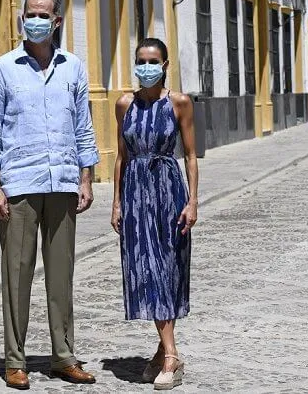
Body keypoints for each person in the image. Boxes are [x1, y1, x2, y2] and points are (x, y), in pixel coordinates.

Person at [0, 0, 100, 390]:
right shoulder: (4, 68)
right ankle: (15, 360)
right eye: (29, 14)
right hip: (19, 185)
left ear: (57, 21)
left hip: (62, 181)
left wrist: (86, 176)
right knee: (17, 274)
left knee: (61, 276)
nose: (35, 21)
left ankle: (64, 357)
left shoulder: (74, 68)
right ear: (21, 19)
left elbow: (83, 124)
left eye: (43, 15)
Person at [111, 38, 199, 391]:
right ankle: (164, 353)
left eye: (153, 61)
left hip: (168, 191)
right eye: (140, 60)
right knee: (143, 270)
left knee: (166, 268)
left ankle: (171, 356)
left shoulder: (179, 102)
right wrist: (116, 202)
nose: (146, 66)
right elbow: (120, 156)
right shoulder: (124, 104)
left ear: (165, 65)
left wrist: (192, 202)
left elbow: (191, 155)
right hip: (134, 193)